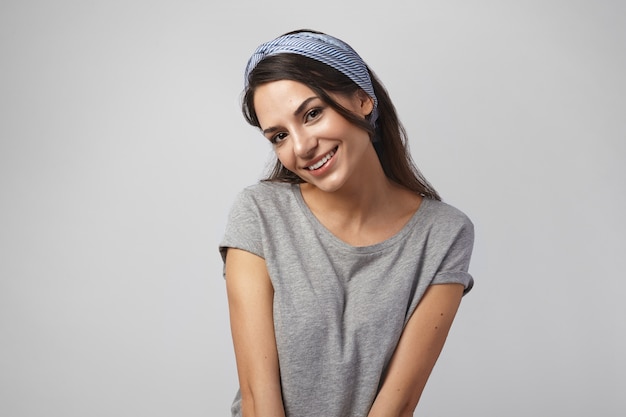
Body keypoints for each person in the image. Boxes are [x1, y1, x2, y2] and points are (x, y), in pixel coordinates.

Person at [219, 29, 474, 417]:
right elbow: (258, 399)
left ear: (362, 99)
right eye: (279, 135)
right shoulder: (259, 213)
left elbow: (397, 406)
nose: (302, 147)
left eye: (313, 113)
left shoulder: (444, 234)